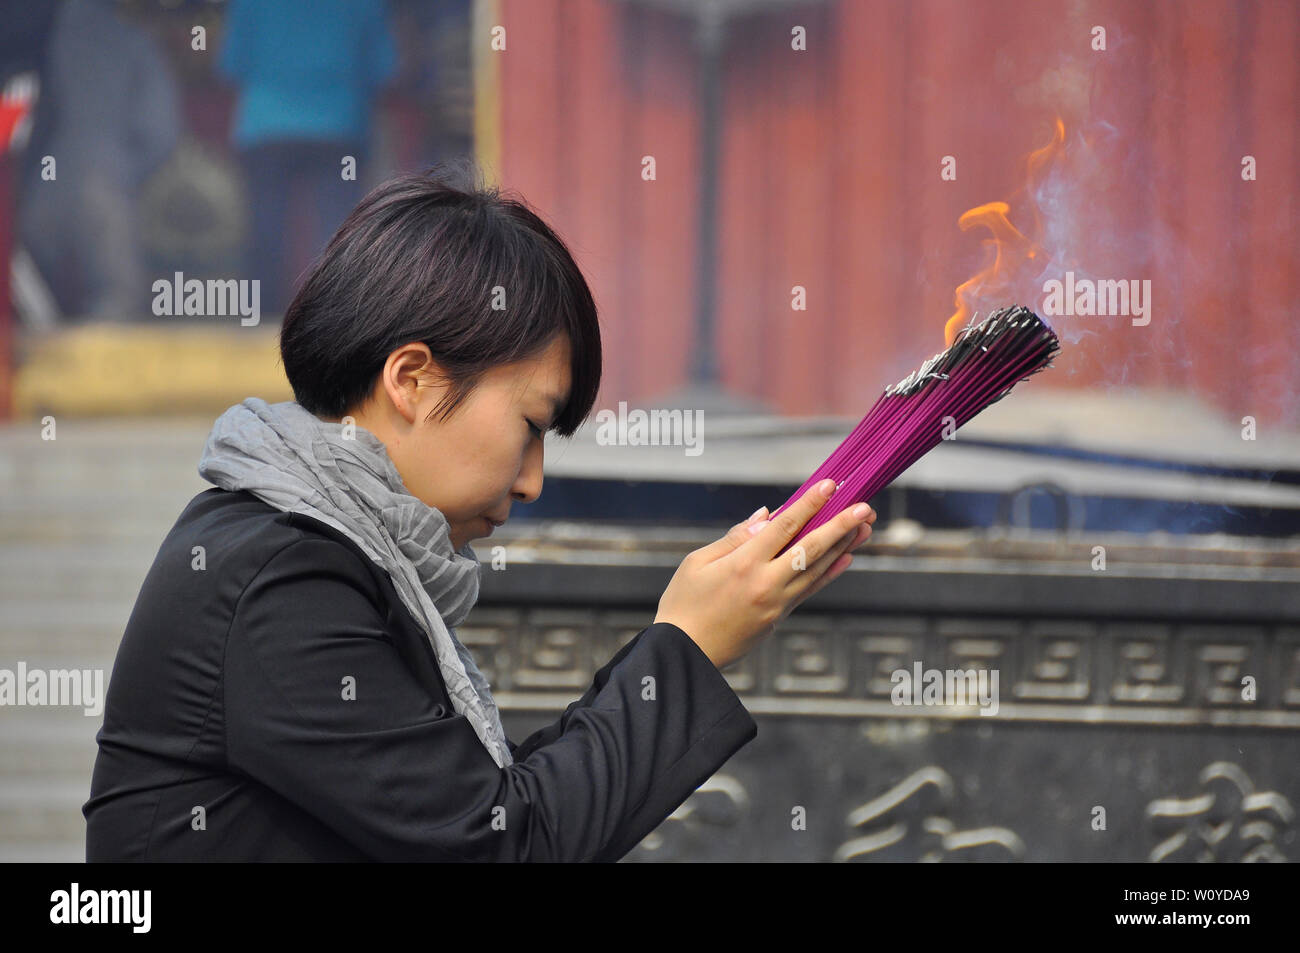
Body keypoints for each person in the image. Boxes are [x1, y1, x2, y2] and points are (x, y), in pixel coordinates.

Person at [82, 166, 875, 862]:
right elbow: (502, 841)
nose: (532, 481)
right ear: (414, 380)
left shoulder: (326, 546)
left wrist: (680, 640)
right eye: (530, 425)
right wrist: (688, 646)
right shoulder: (282, 576)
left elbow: (485, 805)